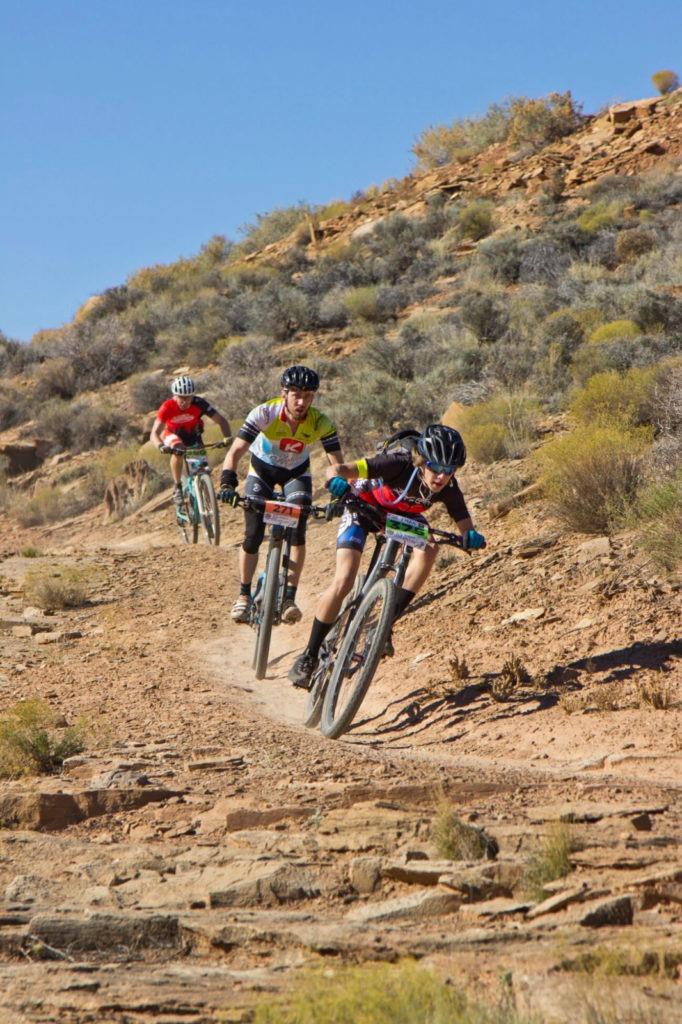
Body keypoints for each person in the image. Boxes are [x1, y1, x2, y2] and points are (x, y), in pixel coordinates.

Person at [288, 423, 485, 688]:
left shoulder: (449, 488)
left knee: (429, 548)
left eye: (449, 471)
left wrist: (470, 536)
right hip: (363, 506)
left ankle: (384, 624)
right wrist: (334, 480)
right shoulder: (398, 463)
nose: (441, 477)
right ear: (422, 461)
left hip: (400, 518)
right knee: (344, 579)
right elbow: (338, 469)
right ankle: (309, 655)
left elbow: (464, 522)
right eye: (435, 468)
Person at [219, 365, 343, 624]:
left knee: (298, 530)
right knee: (252, 534)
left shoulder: (320, 422)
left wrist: (337, 495)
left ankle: (288, 597)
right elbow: (234, 452)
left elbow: (337, 465)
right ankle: (244, 594)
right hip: (261, 472)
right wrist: (228, 483)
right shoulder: (265, 413)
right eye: (296, 394)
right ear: (283, 393)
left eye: (308, 395)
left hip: (295, 475)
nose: (301, 401)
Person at [150, 376, 232, 505]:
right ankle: (177, 488)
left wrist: (227, 437)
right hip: (172, 434)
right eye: (181, 397)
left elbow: (221, 420)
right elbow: (154, 433)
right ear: (174, 395)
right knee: (178, 450)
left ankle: (205, 493)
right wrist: (160, 445)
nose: (184, 401)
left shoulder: (199, 403)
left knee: (202, 470)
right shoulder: (167, 407)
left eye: (188, 397)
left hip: (193, 435)